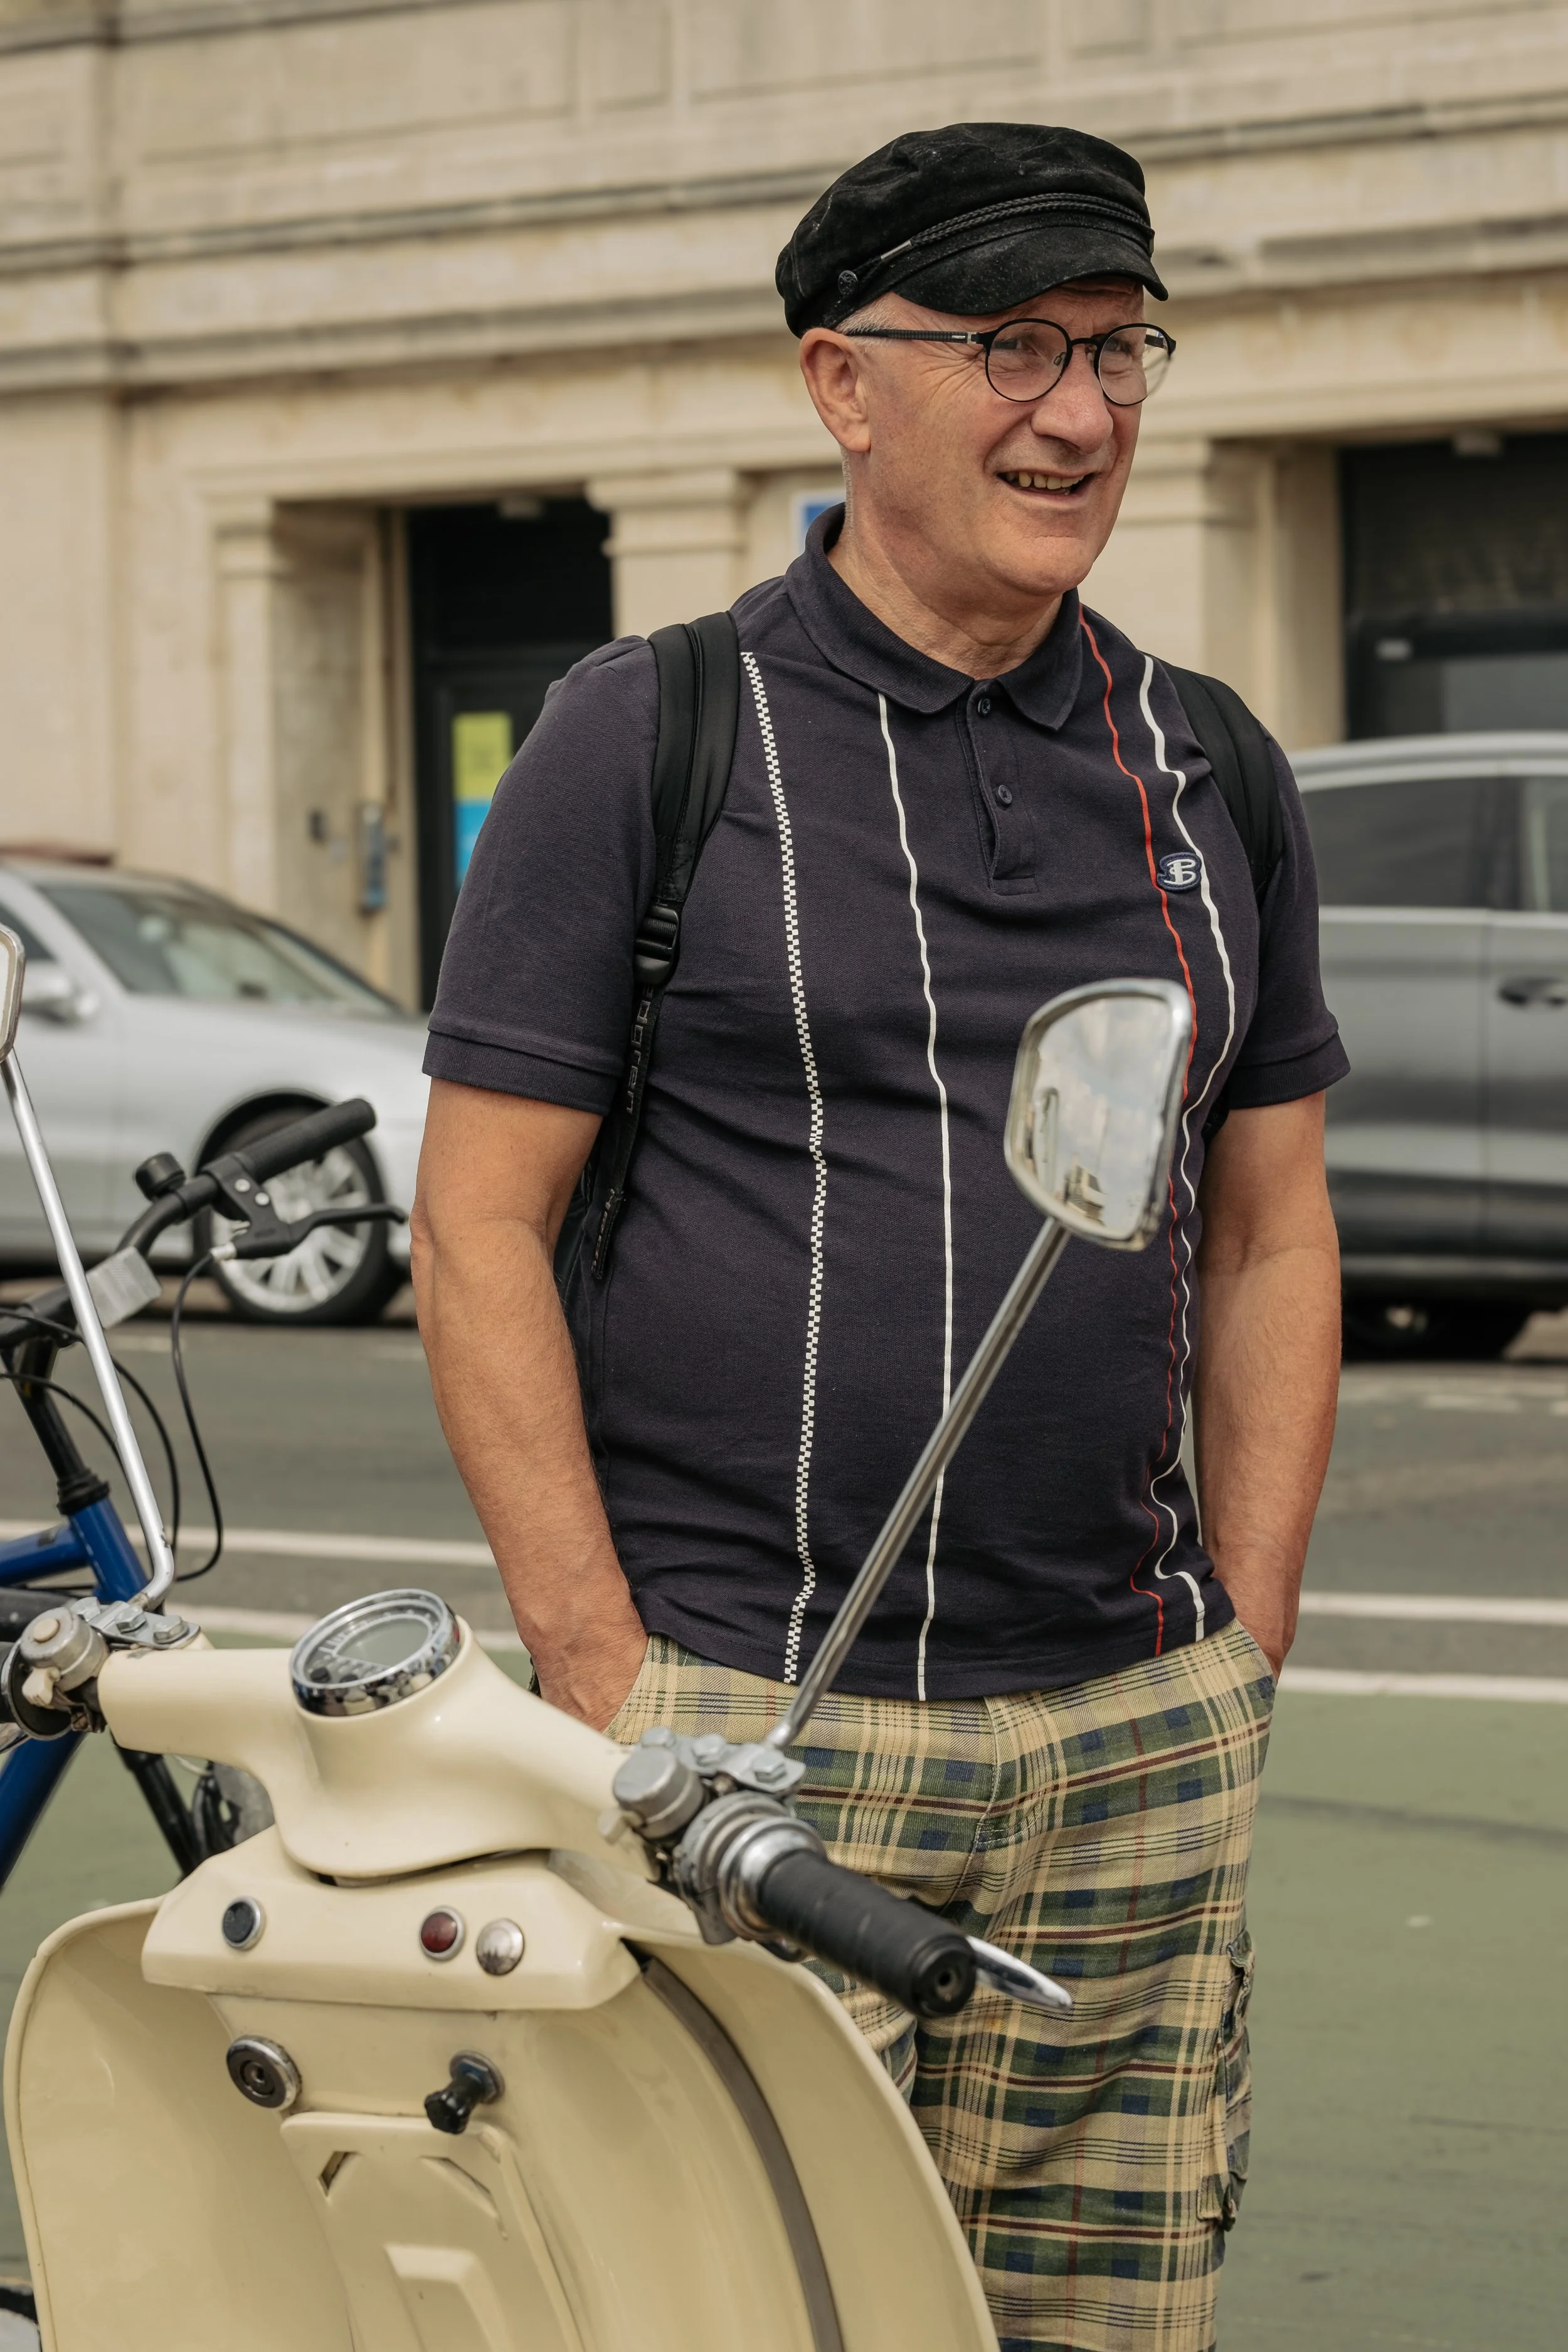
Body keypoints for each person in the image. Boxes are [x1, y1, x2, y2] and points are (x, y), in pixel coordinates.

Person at [413, 120, 1346, 2352]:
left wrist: (1243, 1651)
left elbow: (1272, 1227)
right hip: (748, 1719)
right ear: (846, 386)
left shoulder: (1207, 766)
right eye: (1011, 345)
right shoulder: (660, 727)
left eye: (1121, 347)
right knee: (726, 2314)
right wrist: (605, 1675)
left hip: (1129, 1741)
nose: (1083, 409)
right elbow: (475, 1222)